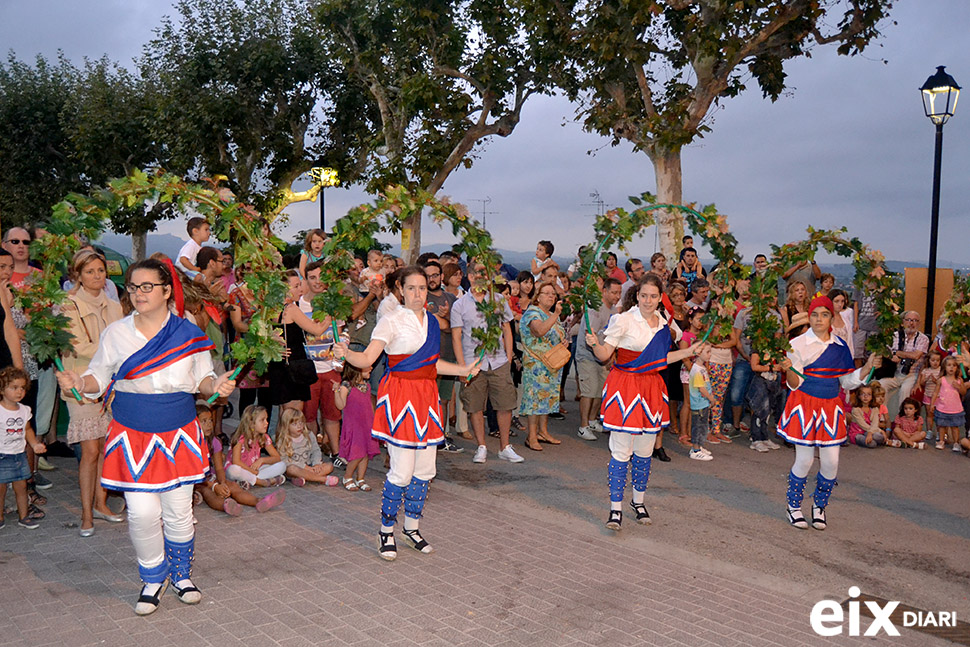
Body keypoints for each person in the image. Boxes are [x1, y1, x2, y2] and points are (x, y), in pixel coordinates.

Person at [55, 258, 237, 615]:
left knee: (179, 512)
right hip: (132, 432)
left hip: (178, 431)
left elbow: (202, 383)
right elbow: (98, 378)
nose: (138, 294)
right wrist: (79, 382)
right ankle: (153, 577)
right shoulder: (117, 333)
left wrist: (217, 385)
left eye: (147, 286)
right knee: (140, 514)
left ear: (167, 291)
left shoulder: (189, 334)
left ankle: (182, 576)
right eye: (133, 287)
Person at [333, 266, 480, 561]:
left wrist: (463, 369)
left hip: (427, 398)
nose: (417, 294)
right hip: (400, 398)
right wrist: (345, 354)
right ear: (399, 289)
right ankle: (386, 530)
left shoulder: (434, 324)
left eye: (422, 288)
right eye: (411, 288)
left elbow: (431, 365)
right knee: (401, 470)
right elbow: (367, 359)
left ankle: (411, 528)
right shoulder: (390, 321)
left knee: (425, 469)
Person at [584, 275, 704, 530]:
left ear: (660, 297)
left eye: (653, 296)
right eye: (644, 295)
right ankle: (615, 508)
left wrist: (690, 351)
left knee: (644, 450)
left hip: (651, 388)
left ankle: (638, 502)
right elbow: (606, 354)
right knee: (620, 450)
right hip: (626, 386)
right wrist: (595, 345)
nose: (648, 300)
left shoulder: (662, 323)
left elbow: (663, 358)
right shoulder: (623, 319)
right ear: (636, 296)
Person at [778, 296, 881, 531]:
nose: (818, 319)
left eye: (824, 315)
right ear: (809, 317)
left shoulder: (840, 346)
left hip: (830, 408)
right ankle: (793, 506)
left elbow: (847, 382)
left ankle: (819, 507)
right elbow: (794, 384)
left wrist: (866, 368)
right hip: (804, 405)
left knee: (831, 462)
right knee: (803, 460)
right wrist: (789, 369)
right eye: (814, 314)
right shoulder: (797, 343)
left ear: (831, 318)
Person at [60, 250, 125, 536]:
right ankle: (86, 513)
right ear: (77, 275)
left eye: (100, 270)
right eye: (89, 272)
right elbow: (74, 345)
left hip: (111, 386)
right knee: (89, 451)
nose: (96, 276)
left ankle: (101, 503)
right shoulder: (68, 305)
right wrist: (111, 350)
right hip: (80, 385)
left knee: (105, 449)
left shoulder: (115, 306)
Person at [451, 263, 521, 463]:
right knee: (475, 405)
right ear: (470, 277)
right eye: (478, 274)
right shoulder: (460, 305)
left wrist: (508, 356)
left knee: (504, 404)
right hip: (473, 362)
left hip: (498, 360)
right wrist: (462, 366)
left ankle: (505, 446)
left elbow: (507, 328)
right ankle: (481, 446)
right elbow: (456, 336)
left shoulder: (498, 300)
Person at [194, 404, 285, 515]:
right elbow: (194, 473)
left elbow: (218, 468)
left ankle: (259, 501)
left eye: (210, 420)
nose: (209, 424)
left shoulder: (214, 442)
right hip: (196, 481)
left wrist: (222, 483)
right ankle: (225, 506)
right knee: (208, 492)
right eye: (204, 421)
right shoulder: (190, 444)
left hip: (211, 478)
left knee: (233, 486)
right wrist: (214, 486)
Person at [519, 282, 567, 451]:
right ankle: (531, 436)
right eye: (546, 293)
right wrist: (555, 315)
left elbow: (554, 335)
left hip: (552, 364)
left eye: (553, 294)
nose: (551, 296)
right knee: (535, 400)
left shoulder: (550, 314)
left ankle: (543, 432)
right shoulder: (533, 312)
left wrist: (563, 342)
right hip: (536, 364)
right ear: (537, 296)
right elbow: (539, 331)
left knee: (547, 398)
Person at [0, 366, 46, 530]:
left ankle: (24, 515)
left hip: (19, 455)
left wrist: (34, 444)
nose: (19, 392)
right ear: (2, 389)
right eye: (14, 388)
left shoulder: (25, 410)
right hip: (2, 455)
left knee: (22, 487)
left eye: (22, 388)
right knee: (1, 488)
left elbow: (27, 430)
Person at [423, 261, 462, 453]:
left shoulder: (451, 298)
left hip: (448, 356)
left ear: (441, 277)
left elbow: (457, 327)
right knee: (428, 399)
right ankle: (425, 436)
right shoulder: (421, 297)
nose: (432, 279)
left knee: (444, 399)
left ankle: (441, 436)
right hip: (428, 358)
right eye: (428, 275)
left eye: (435, 275)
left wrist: (446, 317)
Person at [576, 278, 622, 441]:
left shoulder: (615, 312)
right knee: (589, 390)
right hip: (587, 354)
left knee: (600, 390)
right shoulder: (594, 308)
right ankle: (583, 426)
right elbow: (591, 334)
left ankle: (592, 419)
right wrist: (601, 352)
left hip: (604, 356)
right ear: (604, 291)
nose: (617, 296)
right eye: (613, 292)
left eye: (619, 293)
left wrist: (610, 355)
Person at [334, 363, 380, 491]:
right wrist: (336, 391)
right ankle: (347, 476)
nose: (371, 368)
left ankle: (361, 478)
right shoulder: (346, 386)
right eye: (367, 366)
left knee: (365, 453)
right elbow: (340, 405)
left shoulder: (367, 386)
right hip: (354, 425)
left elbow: (369, 406)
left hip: (367, 424)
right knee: (357, 452)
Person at [879, 311, 929, 417]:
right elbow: (885, 351)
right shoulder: (895, 335)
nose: (912, 323)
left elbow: (916, 355)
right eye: (909, 320)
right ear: (903, 322)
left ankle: (901, 419)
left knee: (905, 390)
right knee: (881, 385)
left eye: (915, 321)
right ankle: (882, 418)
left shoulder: (923, 338)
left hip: (912, 373)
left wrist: (896, 352)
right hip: (894, 372)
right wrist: (891, 356)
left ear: (919, 323)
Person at [274, 408, 338, 486]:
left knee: (329, 466)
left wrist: (316, 464)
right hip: (296, 467)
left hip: (310, 465)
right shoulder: (283, 440)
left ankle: (304, 477)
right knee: (291, 469)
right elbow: (285, 460)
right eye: (294, 424)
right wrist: (305, 468)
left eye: (301, 423)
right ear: (286, 426)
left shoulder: (309, 435)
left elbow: (316, 450)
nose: (299, 426)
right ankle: (322, 479)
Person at [227, 405, 287, 487]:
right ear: (251, 423)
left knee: (282, 465)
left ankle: (249, 480)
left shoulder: (264, 437)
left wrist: (262, 460)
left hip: (255, 469)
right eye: (262, 420)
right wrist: (252, 472)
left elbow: (277, 458)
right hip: (241, 469)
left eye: (266, 419)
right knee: (233, 470)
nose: (266, 423)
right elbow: (236, 462)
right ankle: (263, 481)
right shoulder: (240, 438)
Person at [931, 355, 966, 452]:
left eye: (954, 365)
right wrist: (932, 404)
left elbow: (963, 392)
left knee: (955, 426)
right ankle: (941, 441)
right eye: (949, 365)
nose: (951, 367)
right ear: (944, 367)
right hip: (942, 407)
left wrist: (959, 387)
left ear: (957, 368)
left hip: (955, 408)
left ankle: (956, 442)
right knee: (942, 425)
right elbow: (935, 392)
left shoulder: (959, 380)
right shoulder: (941, 380)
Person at [687, 345, 714, 461]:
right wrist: (711, 398)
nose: (710, 354)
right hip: (699, 403)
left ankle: (699, 446)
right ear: (698, 353)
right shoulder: (697, 369)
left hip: (703, 403)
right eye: (708, 352)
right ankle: (695, 449)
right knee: (697, 427)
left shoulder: (702, 367)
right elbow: (701, 388)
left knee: (703, 426)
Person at [916, 350, 942, 441]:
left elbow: (943, 383)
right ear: (929, 361)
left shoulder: (941, 371)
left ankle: (940, 432)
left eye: (938, 360)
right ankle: (929, 430)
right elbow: (922, 383)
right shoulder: (925, 371)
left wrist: (936, 381)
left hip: (938, 396)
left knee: (938, 415)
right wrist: (926, 379)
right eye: (933, 360)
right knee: (929, 414)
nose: (935, 362)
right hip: (928, 395)